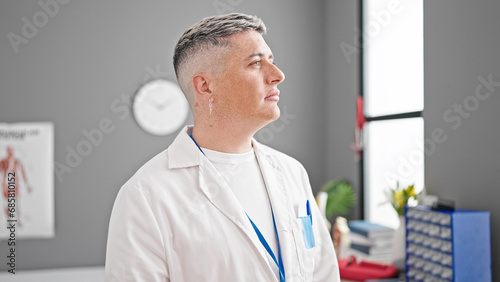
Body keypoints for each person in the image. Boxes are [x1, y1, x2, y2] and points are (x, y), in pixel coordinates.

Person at [105, 13, 340, 282]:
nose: (278, 75)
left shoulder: (291, 171)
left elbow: (323, 272)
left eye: (271, 61)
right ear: (205, 86)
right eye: (255, 63)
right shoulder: (145, 196)